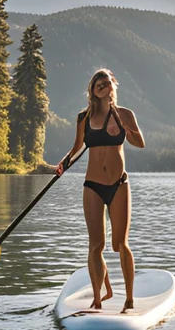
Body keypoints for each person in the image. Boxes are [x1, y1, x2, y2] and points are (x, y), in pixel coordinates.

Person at [56, 69, 145, 312]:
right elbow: (75, 148)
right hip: (93, 186)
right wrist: (63, 164)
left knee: (120, 244)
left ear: (114, 86)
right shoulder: (84, 117)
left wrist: (128, 128)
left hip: (119, 185)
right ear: (93, 92)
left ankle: (129, 299)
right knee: (96, 245)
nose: (104, 87)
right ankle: (97, 298)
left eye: (107, 83)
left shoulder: (125, 114)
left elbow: (140, 143)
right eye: (99, 85)